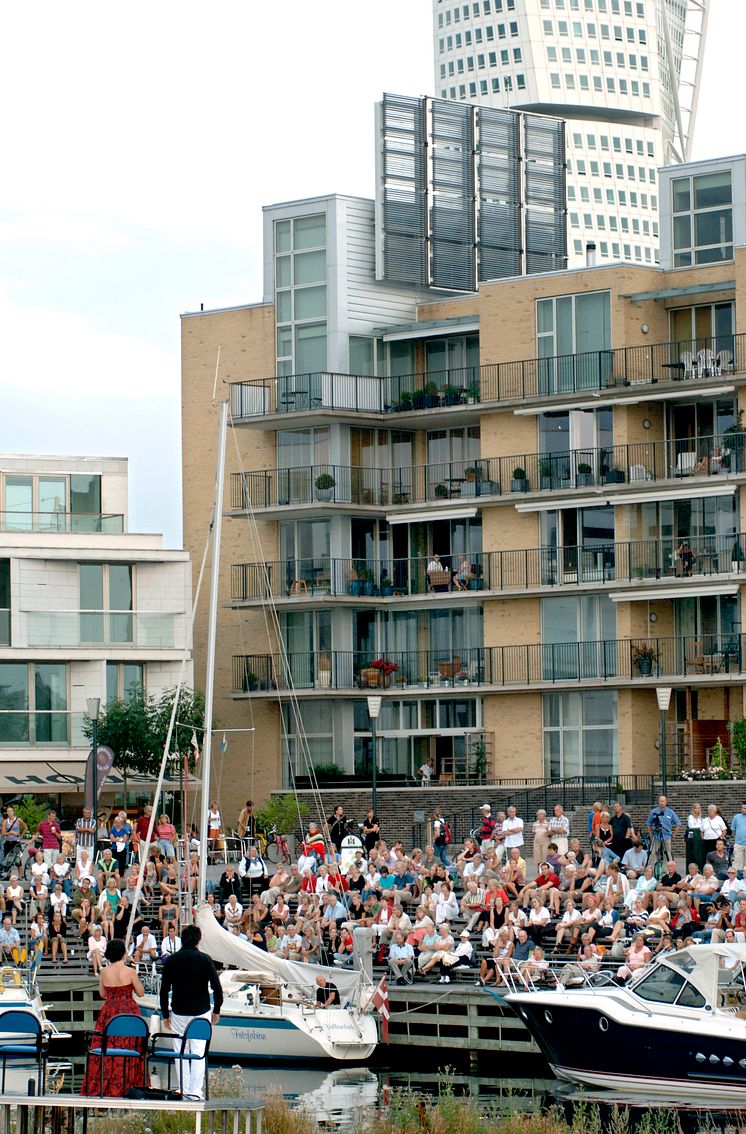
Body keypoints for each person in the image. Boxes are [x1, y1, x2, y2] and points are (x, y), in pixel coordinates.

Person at [159, 924, 223, 1100]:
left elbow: (164, 990)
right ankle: (195, 1091)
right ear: (198, 940)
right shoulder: (205, 959)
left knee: (180, 1050)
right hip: (201, 1010)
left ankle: (183, 1088)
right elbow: (217, 988)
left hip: (179, 1010)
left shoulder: (172, 960)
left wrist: (165, 1013)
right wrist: (217, 1009)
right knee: (198, 1051)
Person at [81, 938, 147, 1097]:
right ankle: (128, 1085)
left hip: (109, 1011)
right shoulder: (130, 972)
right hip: (128, 1010)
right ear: (123, 953)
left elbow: (102, 994)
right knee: (129, 1046)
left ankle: (105, 1085)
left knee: (106, 1046)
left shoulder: (104, 972)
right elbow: (141, 992)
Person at [646, 795, 681, 868]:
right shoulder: (653, 812)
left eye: (663, 801)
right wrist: (651, 835)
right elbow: (648, 824)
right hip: (656, 836)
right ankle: (650, 870)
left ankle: (667, 871)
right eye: (660, 801)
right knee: (653, 853)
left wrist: (673, 835)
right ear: (658, 802)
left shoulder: (670, 812)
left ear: (666, 802)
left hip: (667, 836)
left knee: (667, 854)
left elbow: (678, 823)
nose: (662, 803)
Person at [731, 801, 746, 876]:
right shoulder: (736, 817)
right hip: (739, 844)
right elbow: (733, 830)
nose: (743, 809)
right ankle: (735, 879)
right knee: (737, 863)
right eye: (742, 808)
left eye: (745, 808)